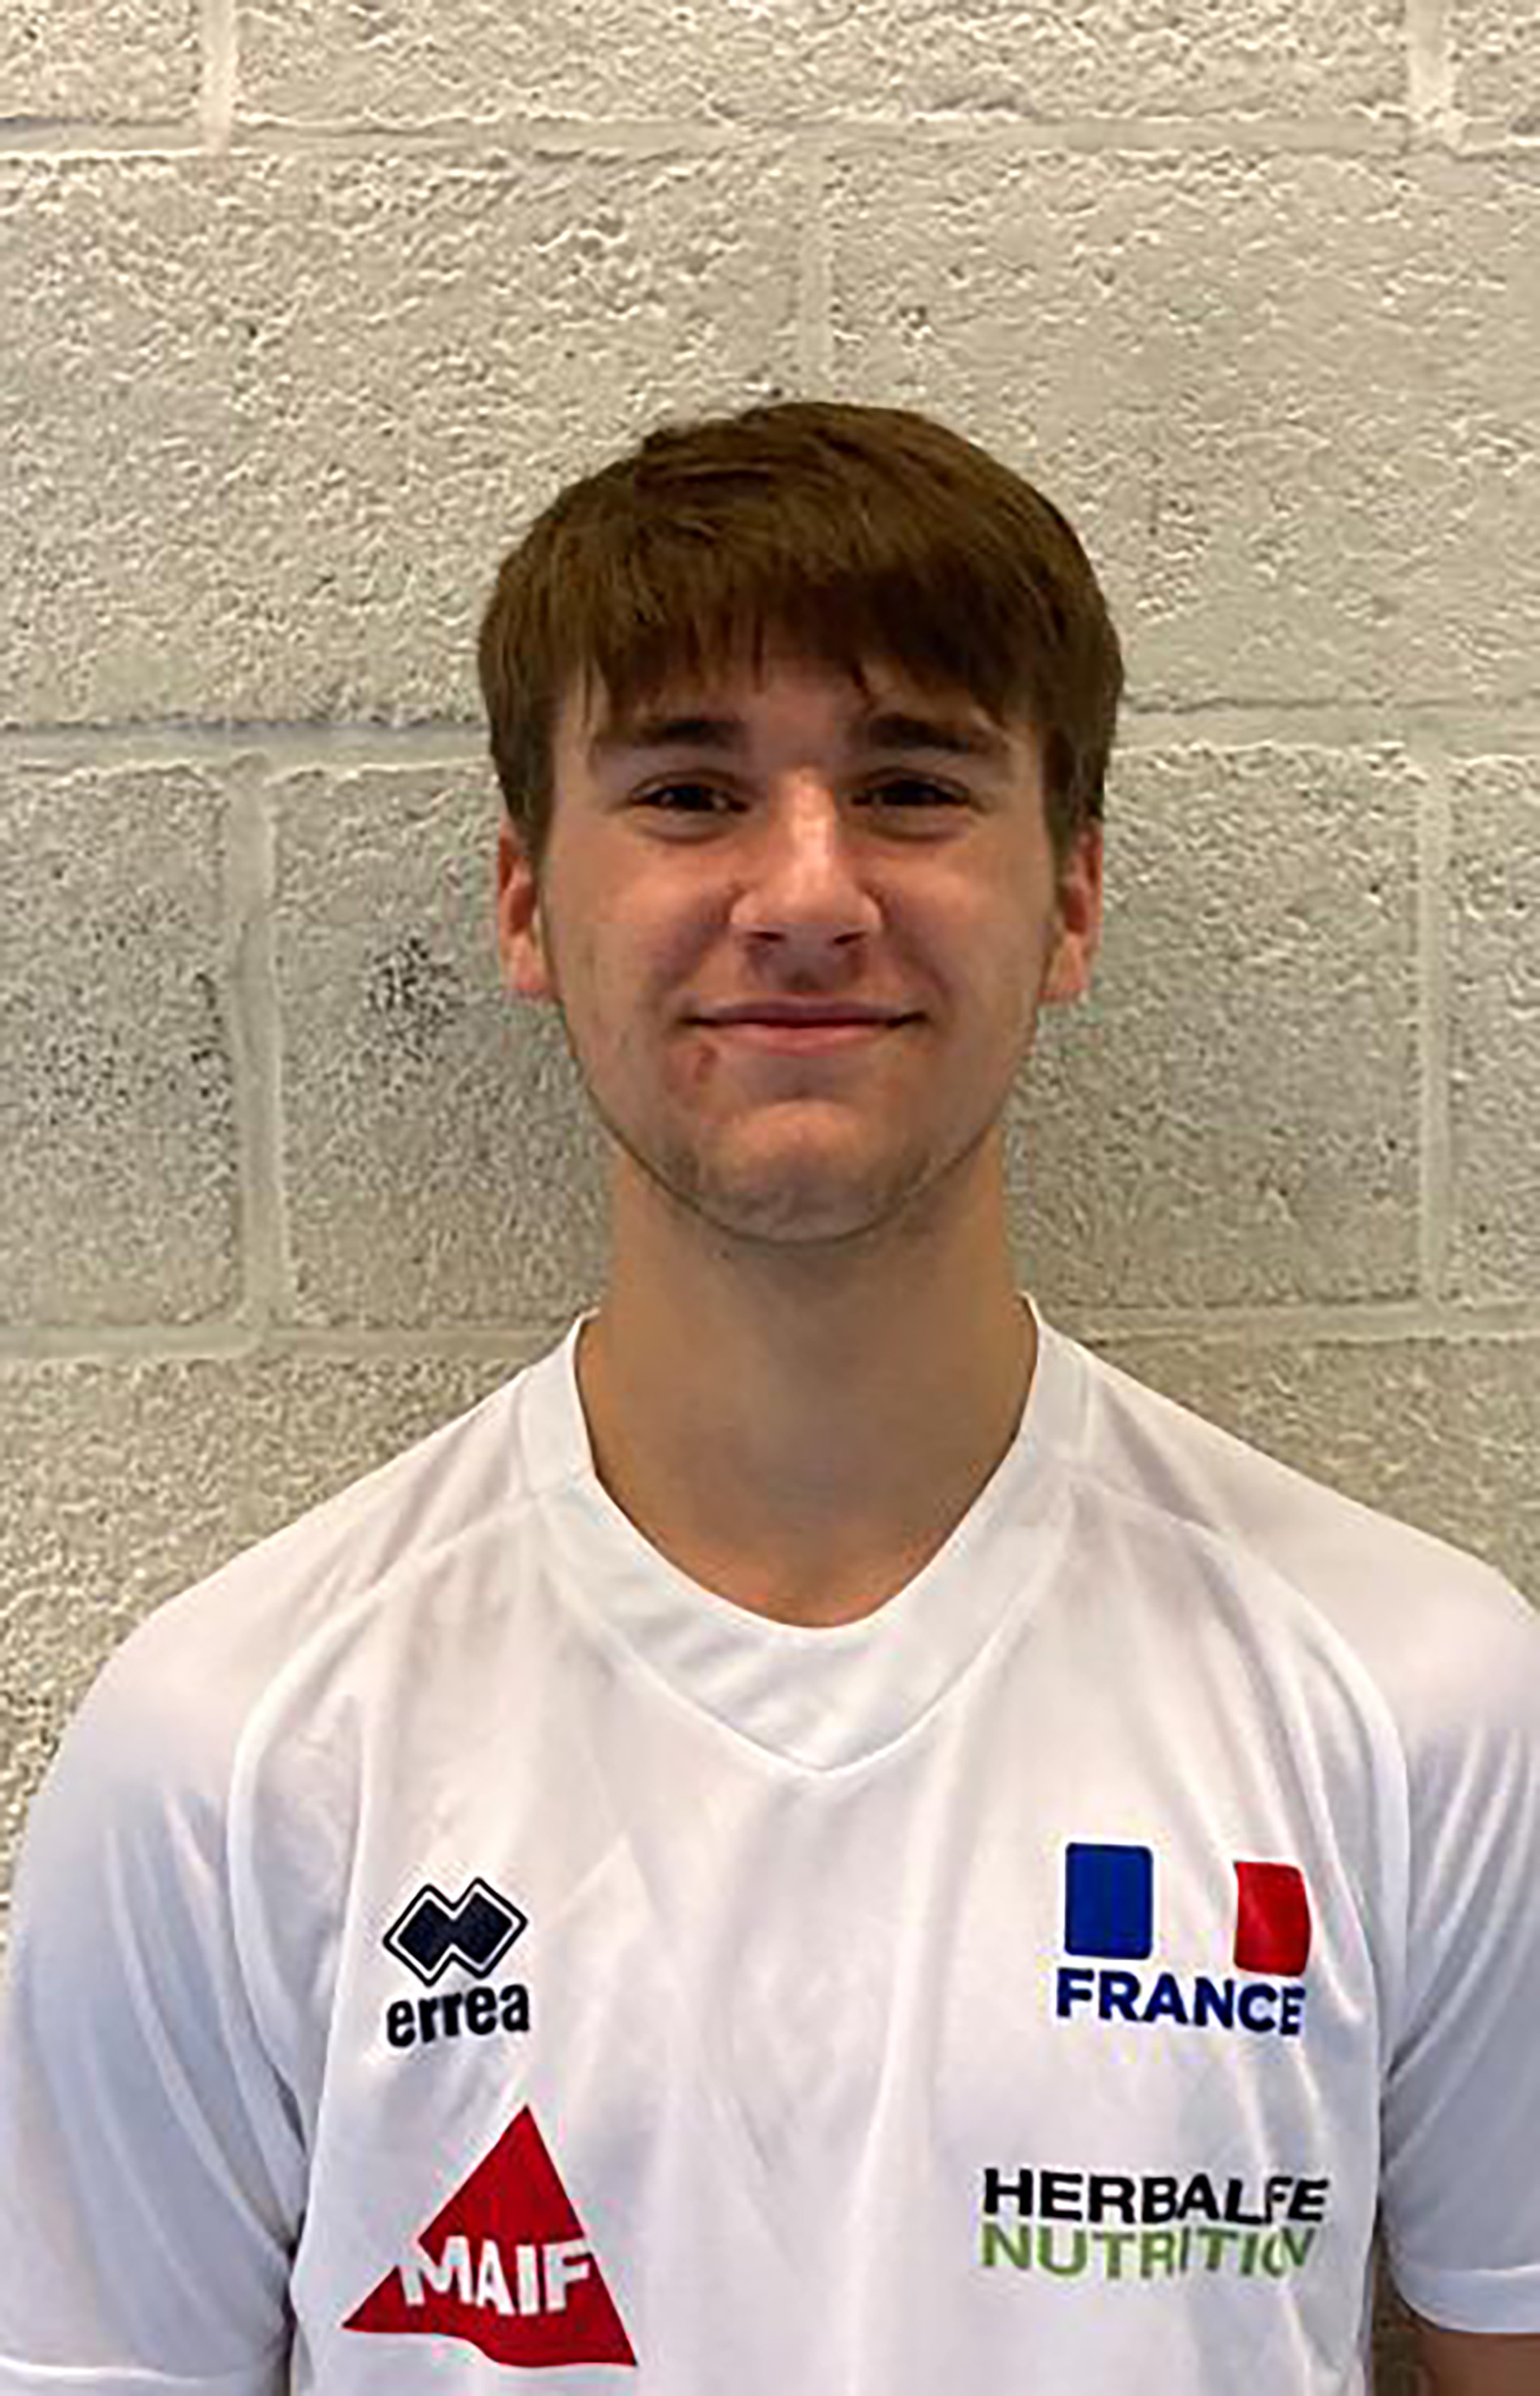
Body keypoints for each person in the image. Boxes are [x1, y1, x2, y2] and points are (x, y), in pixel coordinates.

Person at [2, 397, 1538, 2396]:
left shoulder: (1417, 1696)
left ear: (1070, 900)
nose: (806, 890)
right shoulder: (232, 1750)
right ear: (525, 902)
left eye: (908, 785)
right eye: (688, 791)